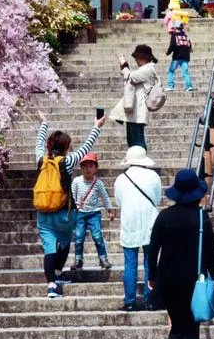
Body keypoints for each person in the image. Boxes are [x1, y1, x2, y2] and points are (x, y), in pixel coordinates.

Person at [148, 169, 214, 339]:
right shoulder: (201, 218)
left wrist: (152, 275)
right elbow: (211, 250)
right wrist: (213, 275)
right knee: (192, 327)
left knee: (176, 324)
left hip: (168, 279)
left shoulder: (164, 217)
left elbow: (153, 249)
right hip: (194, 279)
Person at [33, 110, 104, 298]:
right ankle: (57, 274)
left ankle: (51, 286)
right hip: (64, 213)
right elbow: (87, 146)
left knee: (49, 247)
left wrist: (44, 123)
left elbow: (39, 143)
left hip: (43, 212)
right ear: (66, 147)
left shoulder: (41, 158)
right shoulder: (69, 161)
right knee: (64, 242)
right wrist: (97, 126)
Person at [114, 145, 161, 311]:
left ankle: (130, 301)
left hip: (129, 223)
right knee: (150, 263)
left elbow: (119, 201)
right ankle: (150, 299)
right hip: (150, 222)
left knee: (130, 264)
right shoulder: (153, 176)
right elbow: (157, 199)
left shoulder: (121, 178)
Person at [110, 44, 160, 150]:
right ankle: (136, 162)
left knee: (137, 141)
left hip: (138, 111)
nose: (136, 60)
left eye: (137, 58)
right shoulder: (146, 69)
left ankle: (141, 162)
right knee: (133, 141)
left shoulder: (148, 69)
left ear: (142, 58)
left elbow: (129, 77)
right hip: (135, 110)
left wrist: (124, 64)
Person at [70, 152, 114, 270]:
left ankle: (103, 258)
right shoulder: (77, 181)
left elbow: (104, 197)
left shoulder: (98, 183)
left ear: (96, 168)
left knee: (97, 236)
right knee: (79, 237)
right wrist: (72, 211)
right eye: (85, 166)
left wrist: (109, 209)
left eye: (91, 166)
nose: (88, 169)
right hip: (80, 213)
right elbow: (72, 196)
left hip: (94, 213)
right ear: (81, 168)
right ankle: (78, 259)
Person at [166, 21, 194, 92]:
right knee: (185, 72)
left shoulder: (174, 35)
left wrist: (168, 53)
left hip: (177, 57)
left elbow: (172, 45)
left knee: (171, 71)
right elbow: (189, 46)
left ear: (175, 27)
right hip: (185, 57)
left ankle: (170, 86)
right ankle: (189, 86)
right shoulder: (186, 36)